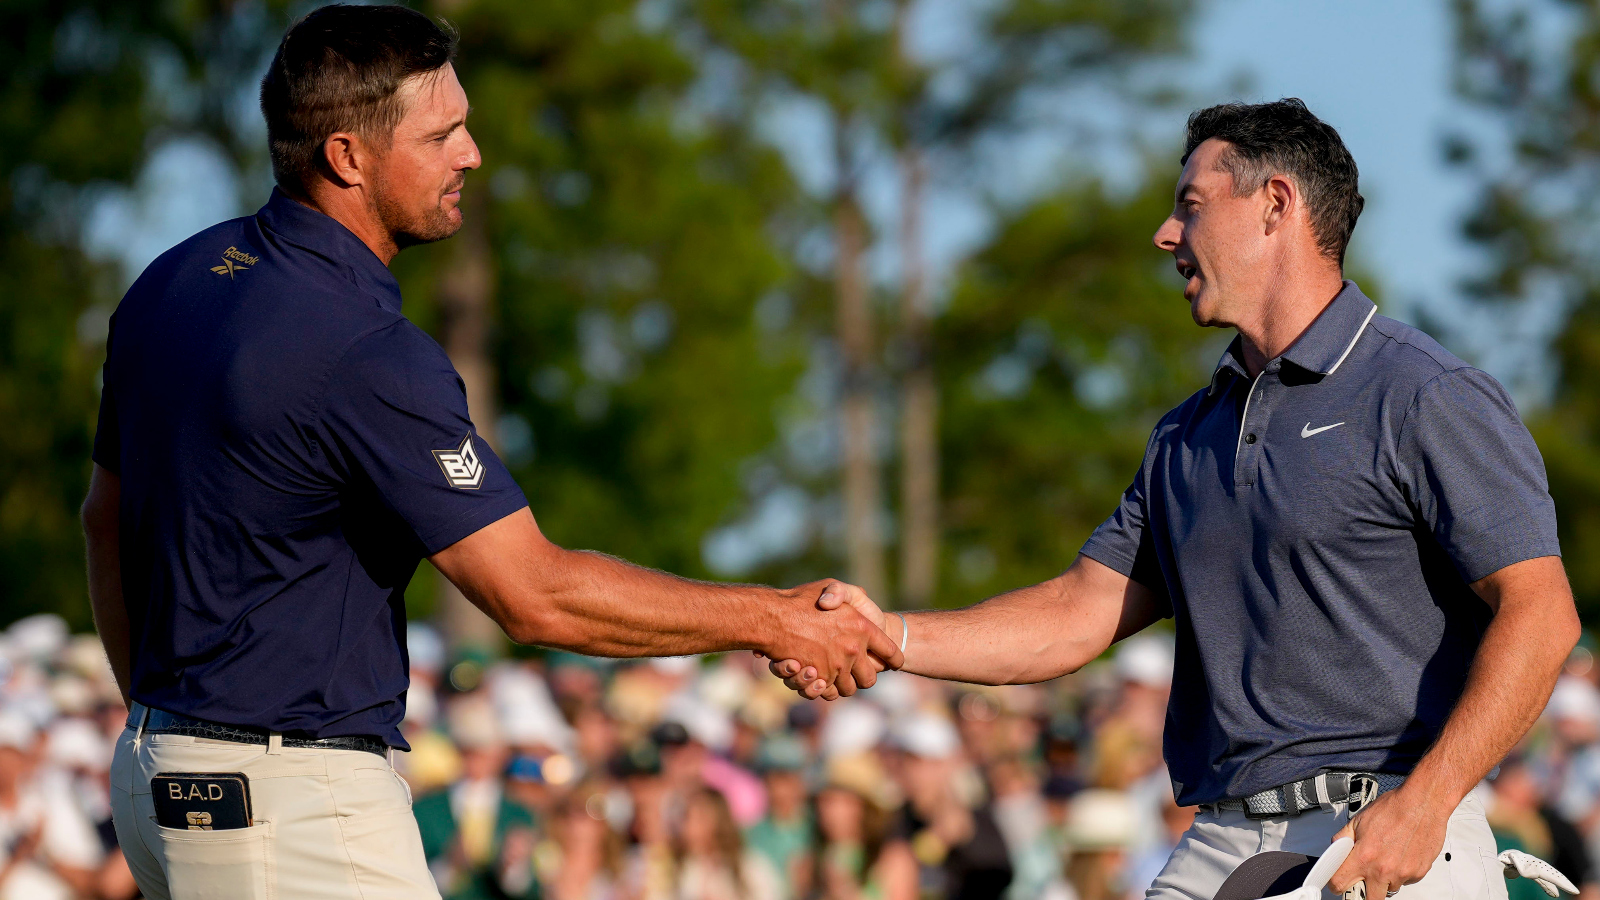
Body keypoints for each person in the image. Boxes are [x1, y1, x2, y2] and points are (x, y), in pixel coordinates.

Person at [79, 6, 900, 900]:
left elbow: (102, 523)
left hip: (159, 780)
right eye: (443, 134)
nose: (471, 153)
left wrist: (163, 730)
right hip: (287, 806)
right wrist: (775, 618)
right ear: (348, 158)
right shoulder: (366, 351)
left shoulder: (168, 283)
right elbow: (535, 596)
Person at [770, 98, 1583, 900]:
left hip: (1385, 834)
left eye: (1189, 206)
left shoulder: (1424, 393)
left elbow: (1542, 615)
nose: (1166, 233)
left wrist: (1429, 802)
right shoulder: (1183, 436)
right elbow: (1074, 612)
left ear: (1275, 206)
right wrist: (891, 636)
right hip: (1221, 839)